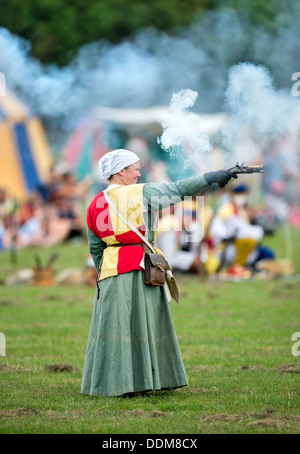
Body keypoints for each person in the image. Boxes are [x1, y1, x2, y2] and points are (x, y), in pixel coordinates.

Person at [81, 149, 237, 397]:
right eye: (135, 169)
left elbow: (96, 247)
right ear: (121, 171)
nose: (139, 173)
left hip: (110, 270)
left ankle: (112, 384)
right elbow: (177, 190)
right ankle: (143, 381)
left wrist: (102, 275)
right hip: (139, 266)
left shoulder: (94, 203)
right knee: (143, 326)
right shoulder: (139, 192)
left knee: (116, 328)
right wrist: (209, 178)